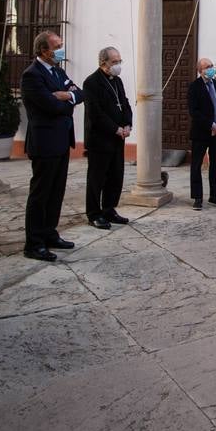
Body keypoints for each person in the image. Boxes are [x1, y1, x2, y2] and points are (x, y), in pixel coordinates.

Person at [21, 30, 84, 261]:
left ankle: (50, 233)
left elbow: (80, 93)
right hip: (45, 142)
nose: (61, 49)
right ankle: (34, 243)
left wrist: (66, 96)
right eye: (57, 46)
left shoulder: (57, 70)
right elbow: (50, 106)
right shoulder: (32, 75)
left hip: (61, 141)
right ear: (44, 51)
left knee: (56, 191)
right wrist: (65, 101)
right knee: (41, 193)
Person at [83, 46, 132, 229]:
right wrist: (116, 129)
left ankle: (109, 209)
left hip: (118, 138)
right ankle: (94, 213)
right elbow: (96, 113)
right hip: (100, 139)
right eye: (114, 62)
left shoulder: (117, 81)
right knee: (97, 178)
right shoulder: (91, 82)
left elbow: (125, 104)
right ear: (103, 63)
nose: (118, 65)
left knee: (115, 176)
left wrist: (128, 124)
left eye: (119, 61)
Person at [188, 57, 216, 210]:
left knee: (215, 164)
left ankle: (214, 196)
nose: (211, 68)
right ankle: (198, 197)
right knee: (196, 165)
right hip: (201, 132)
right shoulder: (194, 87)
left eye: (212, 66)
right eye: (207, 66)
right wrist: (211, 125)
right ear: (200, 70)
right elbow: (194, 112)